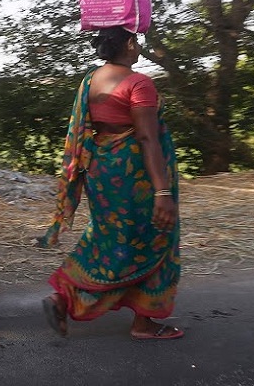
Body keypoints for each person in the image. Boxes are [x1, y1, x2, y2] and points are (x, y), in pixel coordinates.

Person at [37, 27, 183, 340]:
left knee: (109, 238)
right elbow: (147, 137)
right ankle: (144, 323)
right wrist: (162, 191)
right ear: (130, 43)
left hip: (102, 173)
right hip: (136, 177)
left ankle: (63, 298)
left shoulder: (91, 79)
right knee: (155, 238)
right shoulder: (138, 82)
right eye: (137, 42)